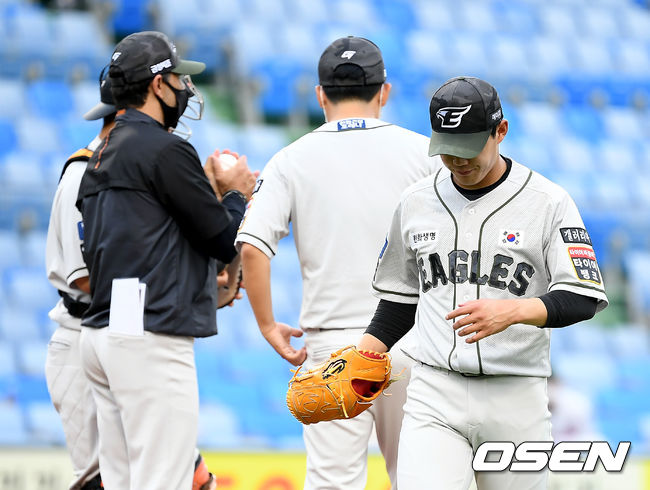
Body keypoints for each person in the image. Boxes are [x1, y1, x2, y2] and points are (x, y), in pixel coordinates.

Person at [357, 76, 609, 490]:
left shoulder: (547, 201)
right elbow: (402, 298)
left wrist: (515, 311)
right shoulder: (416, 201)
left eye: (469, 148)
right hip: (434, 391)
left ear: (501, 131)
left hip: (516, 393)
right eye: (448, 151)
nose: (459, 161)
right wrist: (363, 353)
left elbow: (582, 296)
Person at [237, 36, 440, 489]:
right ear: (383, 91)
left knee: (333, 482)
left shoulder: (290, 159)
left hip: (332, 346)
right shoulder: (425, 155)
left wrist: (268, 325)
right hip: (412, 339)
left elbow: (251, 246)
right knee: (418, 478)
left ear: (320, 94)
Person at [76, 31, 256, 490]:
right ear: (157, 84)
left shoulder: (102, 154)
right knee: (165, 480)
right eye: (176, 77)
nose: (184, 88)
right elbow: (222, 238)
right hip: (149, 334)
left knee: (122, 481)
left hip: (104, 331)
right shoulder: (165, 148)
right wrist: (236, 193)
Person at [46, 68, 220, 490]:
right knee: (104, 480)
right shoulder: (84, 173)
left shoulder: (132, 168)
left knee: (170, 476)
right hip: (91, 330)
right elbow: (86, 277)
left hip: (120, 331)